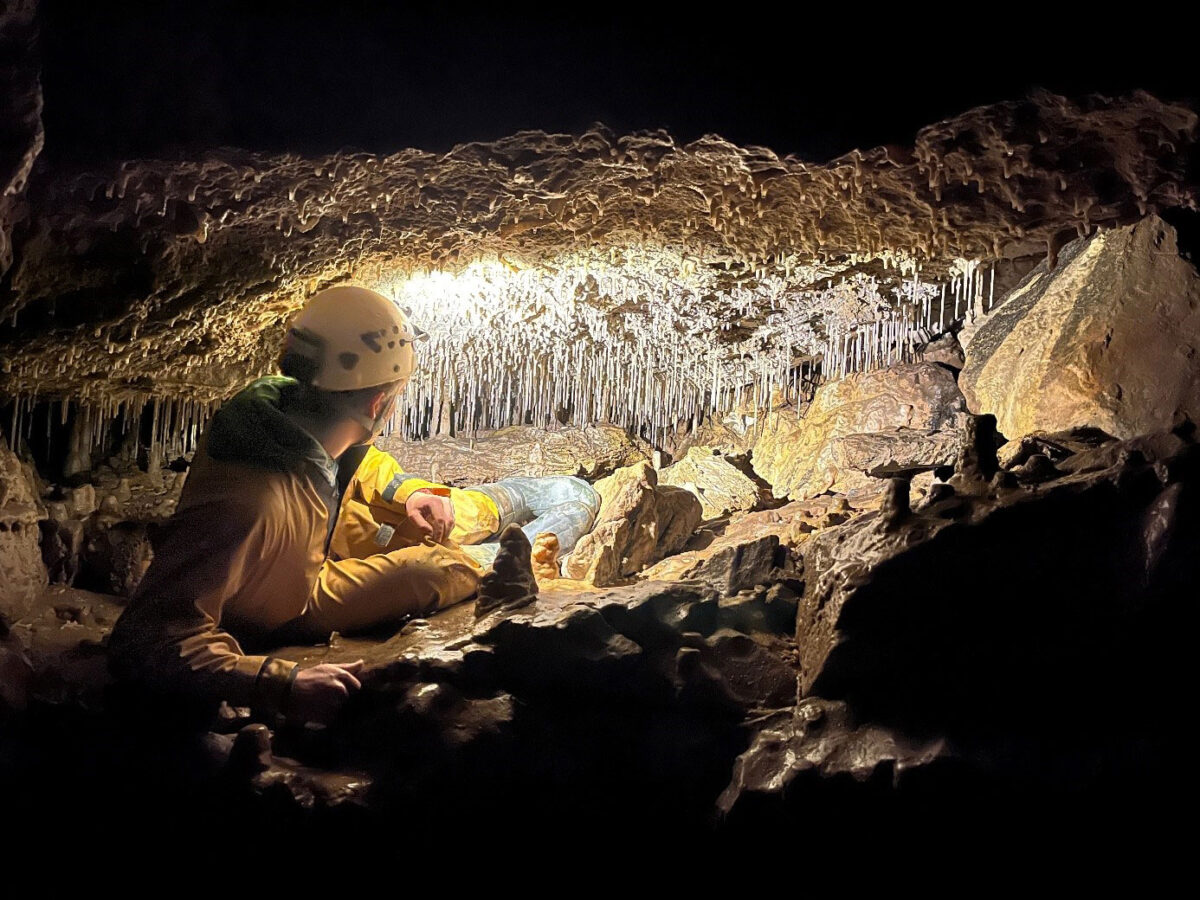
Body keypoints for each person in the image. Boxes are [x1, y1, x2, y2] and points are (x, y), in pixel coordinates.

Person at [108, 285, 599, 725]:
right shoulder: (244, 508)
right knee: (441, 569)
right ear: (375, 405)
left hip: (314, 545)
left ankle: (501, 510)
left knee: (506, 503)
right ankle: (517, 552)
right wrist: (279, 683)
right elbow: (149, 638)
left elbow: (350, 460)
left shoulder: (281, 414)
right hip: (288, 602)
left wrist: (407, 492)